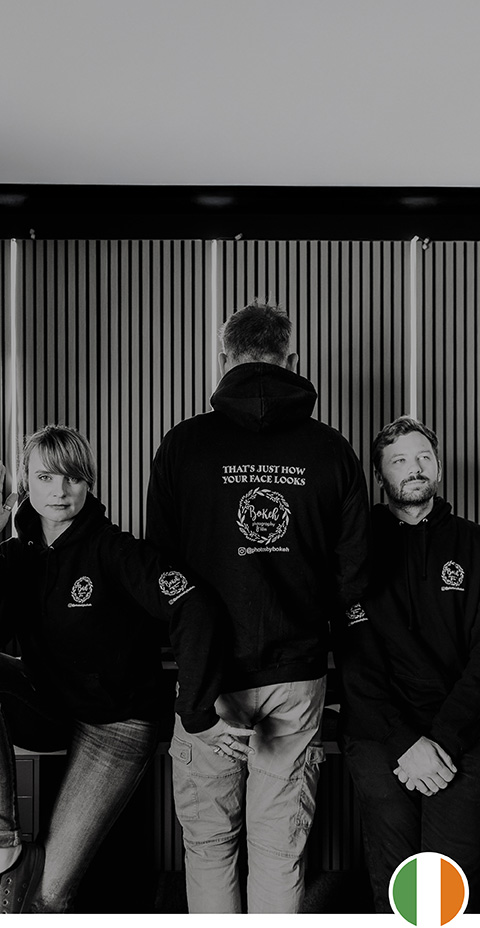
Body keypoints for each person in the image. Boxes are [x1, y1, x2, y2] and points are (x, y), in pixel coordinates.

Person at [146, 301, 370, 914]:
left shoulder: (183, 445)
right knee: (278, 849)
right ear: (291, 359)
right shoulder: (331, 450)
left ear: (225, 358)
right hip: (297, 676)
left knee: (209, 844)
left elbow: (160, 568)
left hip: (207, 675)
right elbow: (354, 572)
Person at [0, 425, 224, 913]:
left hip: (116, 725)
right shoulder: (16, 556)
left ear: (89, 482)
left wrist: (196, 710)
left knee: (47, 896)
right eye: (45, 477)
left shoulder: (115, 551)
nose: (59, 490)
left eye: (73, 477)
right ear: (26, 483)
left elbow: (193, 604)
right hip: (51, 706)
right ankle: (4, 842)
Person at [340, 416, 480, 913]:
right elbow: (356, 661)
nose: (414, 468)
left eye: (423, 457)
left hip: (461, 732)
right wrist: (405, 742)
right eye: (399, 460)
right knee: (396, 881)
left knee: (449, 887)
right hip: (380, 733)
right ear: (380, 476)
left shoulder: (475, 544)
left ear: (438, 467)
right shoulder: (354, 547)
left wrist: (443, 740)